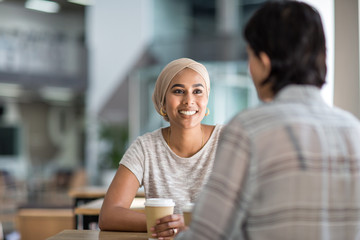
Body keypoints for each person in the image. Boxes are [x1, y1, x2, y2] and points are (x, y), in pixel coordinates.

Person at [175, 1, 360, 240]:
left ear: (264, 62)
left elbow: (206, 236)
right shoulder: (353, 130)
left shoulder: (248, 129)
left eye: (250, 56)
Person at [98, 58, 223, 239]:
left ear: (206, 100)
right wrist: (169, 226)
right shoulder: (145, 148)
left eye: (197, 91)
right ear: (162, 101)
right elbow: (109, 215)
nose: (189, 100)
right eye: (178, 91)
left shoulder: (228, 141)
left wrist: (190, 225)